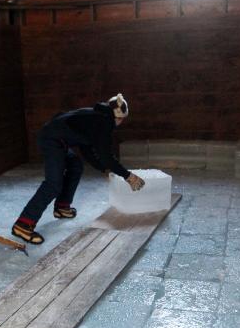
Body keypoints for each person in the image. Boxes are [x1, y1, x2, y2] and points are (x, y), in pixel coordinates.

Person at [12, 94, 145, 244]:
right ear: (119, 117)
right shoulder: (104, 123)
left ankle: (62, 207)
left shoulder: (96, 116)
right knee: (53, 184)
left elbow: (86, 147)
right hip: (52, 140)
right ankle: (23, 224)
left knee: (76, 165)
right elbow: (107, 156)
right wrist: (128, 176)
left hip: (56, 138)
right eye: (122, 119)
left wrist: (103, 169)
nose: (121, 122)